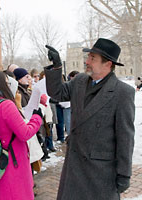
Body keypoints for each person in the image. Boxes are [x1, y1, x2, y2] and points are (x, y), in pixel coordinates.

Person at [45, 38, 135, 200]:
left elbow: (125, 136)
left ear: (107, 64)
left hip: (100, 172)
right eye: (88, 57)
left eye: (92, 58)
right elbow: (57, 92)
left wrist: (124, 173)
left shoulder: (122, 92)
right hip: (74, 165)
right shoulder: (79, 81)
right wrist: (57, 66)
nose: (87, 61)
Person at [0, 70, 42, 200]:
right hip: (13, 159)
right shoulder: (5, 105)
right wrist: (37, 117)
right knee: (18, 194)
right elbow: (25, 133)